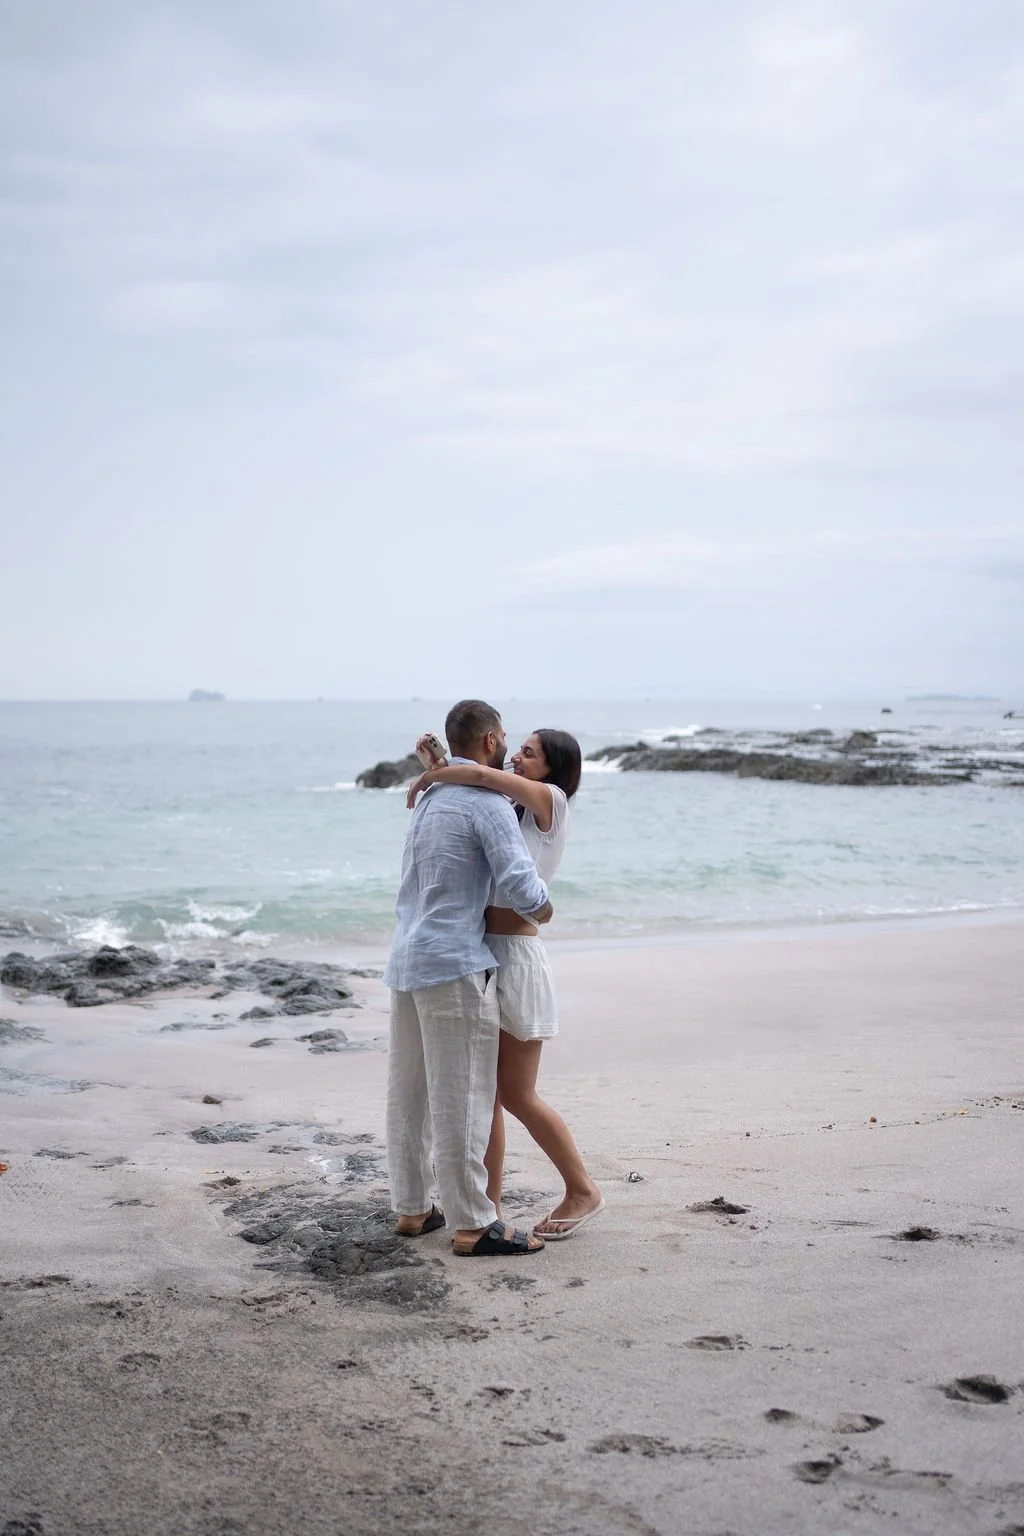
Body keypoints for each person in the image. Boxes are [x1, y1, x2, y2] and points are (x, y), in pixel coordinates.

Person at [407, 727, 605, 1241]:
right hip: (481, 954)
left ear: (554, 767)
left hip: (516, 959)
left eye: (529, 752)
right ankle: (485, 1208)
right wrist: (439, 761)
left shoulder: (551, 800)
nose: (517, 756)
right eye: (517, 747)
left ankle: (582, 1189)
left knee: (517, 1094)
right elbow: (474, 785)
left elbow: (476, 773)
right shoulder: (508, 806)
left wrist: (433, 774)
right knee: (485, 1097)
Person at [383, 699, 551, 1257]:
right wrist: (544, 910)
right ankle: (475, 1223)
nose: (506, 749)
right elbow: (521, 883)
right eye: (503, 740)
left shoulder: (429, 797)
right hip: (454, 963)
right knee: (464, 1096)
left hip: (407, 958)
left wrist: (433, 762)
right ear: (489, 741)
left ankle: (412, 1209)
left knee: (409, 1093)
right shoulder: (487, 803)